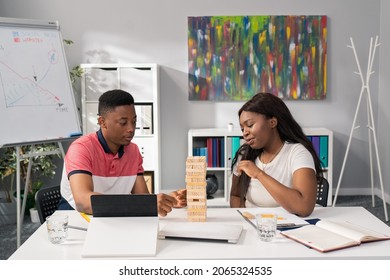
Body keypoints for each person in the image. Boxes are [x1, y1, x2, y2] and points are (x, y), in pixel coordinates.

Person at [58, 89, 186, 216]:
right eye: (123, 123)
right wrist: (146, 204)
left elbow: (142, 198)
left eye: (134, 121)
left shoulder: (133, 151)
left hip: (112, 218)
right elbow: (83, 202)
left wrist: (167, 201)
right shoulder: (81, 148)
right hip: (74, 220)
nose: (131, 129)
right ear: (102, 122)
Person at [230, 92, 323, 217]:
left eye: (250, 125)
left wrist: (258, 174)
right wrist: (244, 219)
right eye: (242, 128)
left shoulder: (298, 153)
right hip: (253, 226)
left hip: (288, 226)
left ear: (272, 122)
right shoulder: (244, 155)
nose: (245, 133)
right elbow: (235, 195)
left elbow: (304, 207)